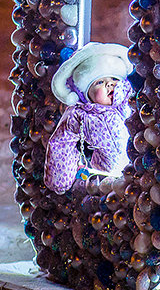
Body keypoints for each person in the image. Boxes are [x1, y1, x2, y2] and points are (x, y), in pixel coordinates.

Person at [45, 42, 132, 193]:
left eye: (114, 79)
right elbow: (61, 143)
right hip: (106, 179)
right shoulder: (81, 115)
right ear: (86, 92)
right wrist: (60, 179)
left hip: (137, 170)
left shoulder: (128, 101)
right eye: (100, 82)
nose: (110, 85)